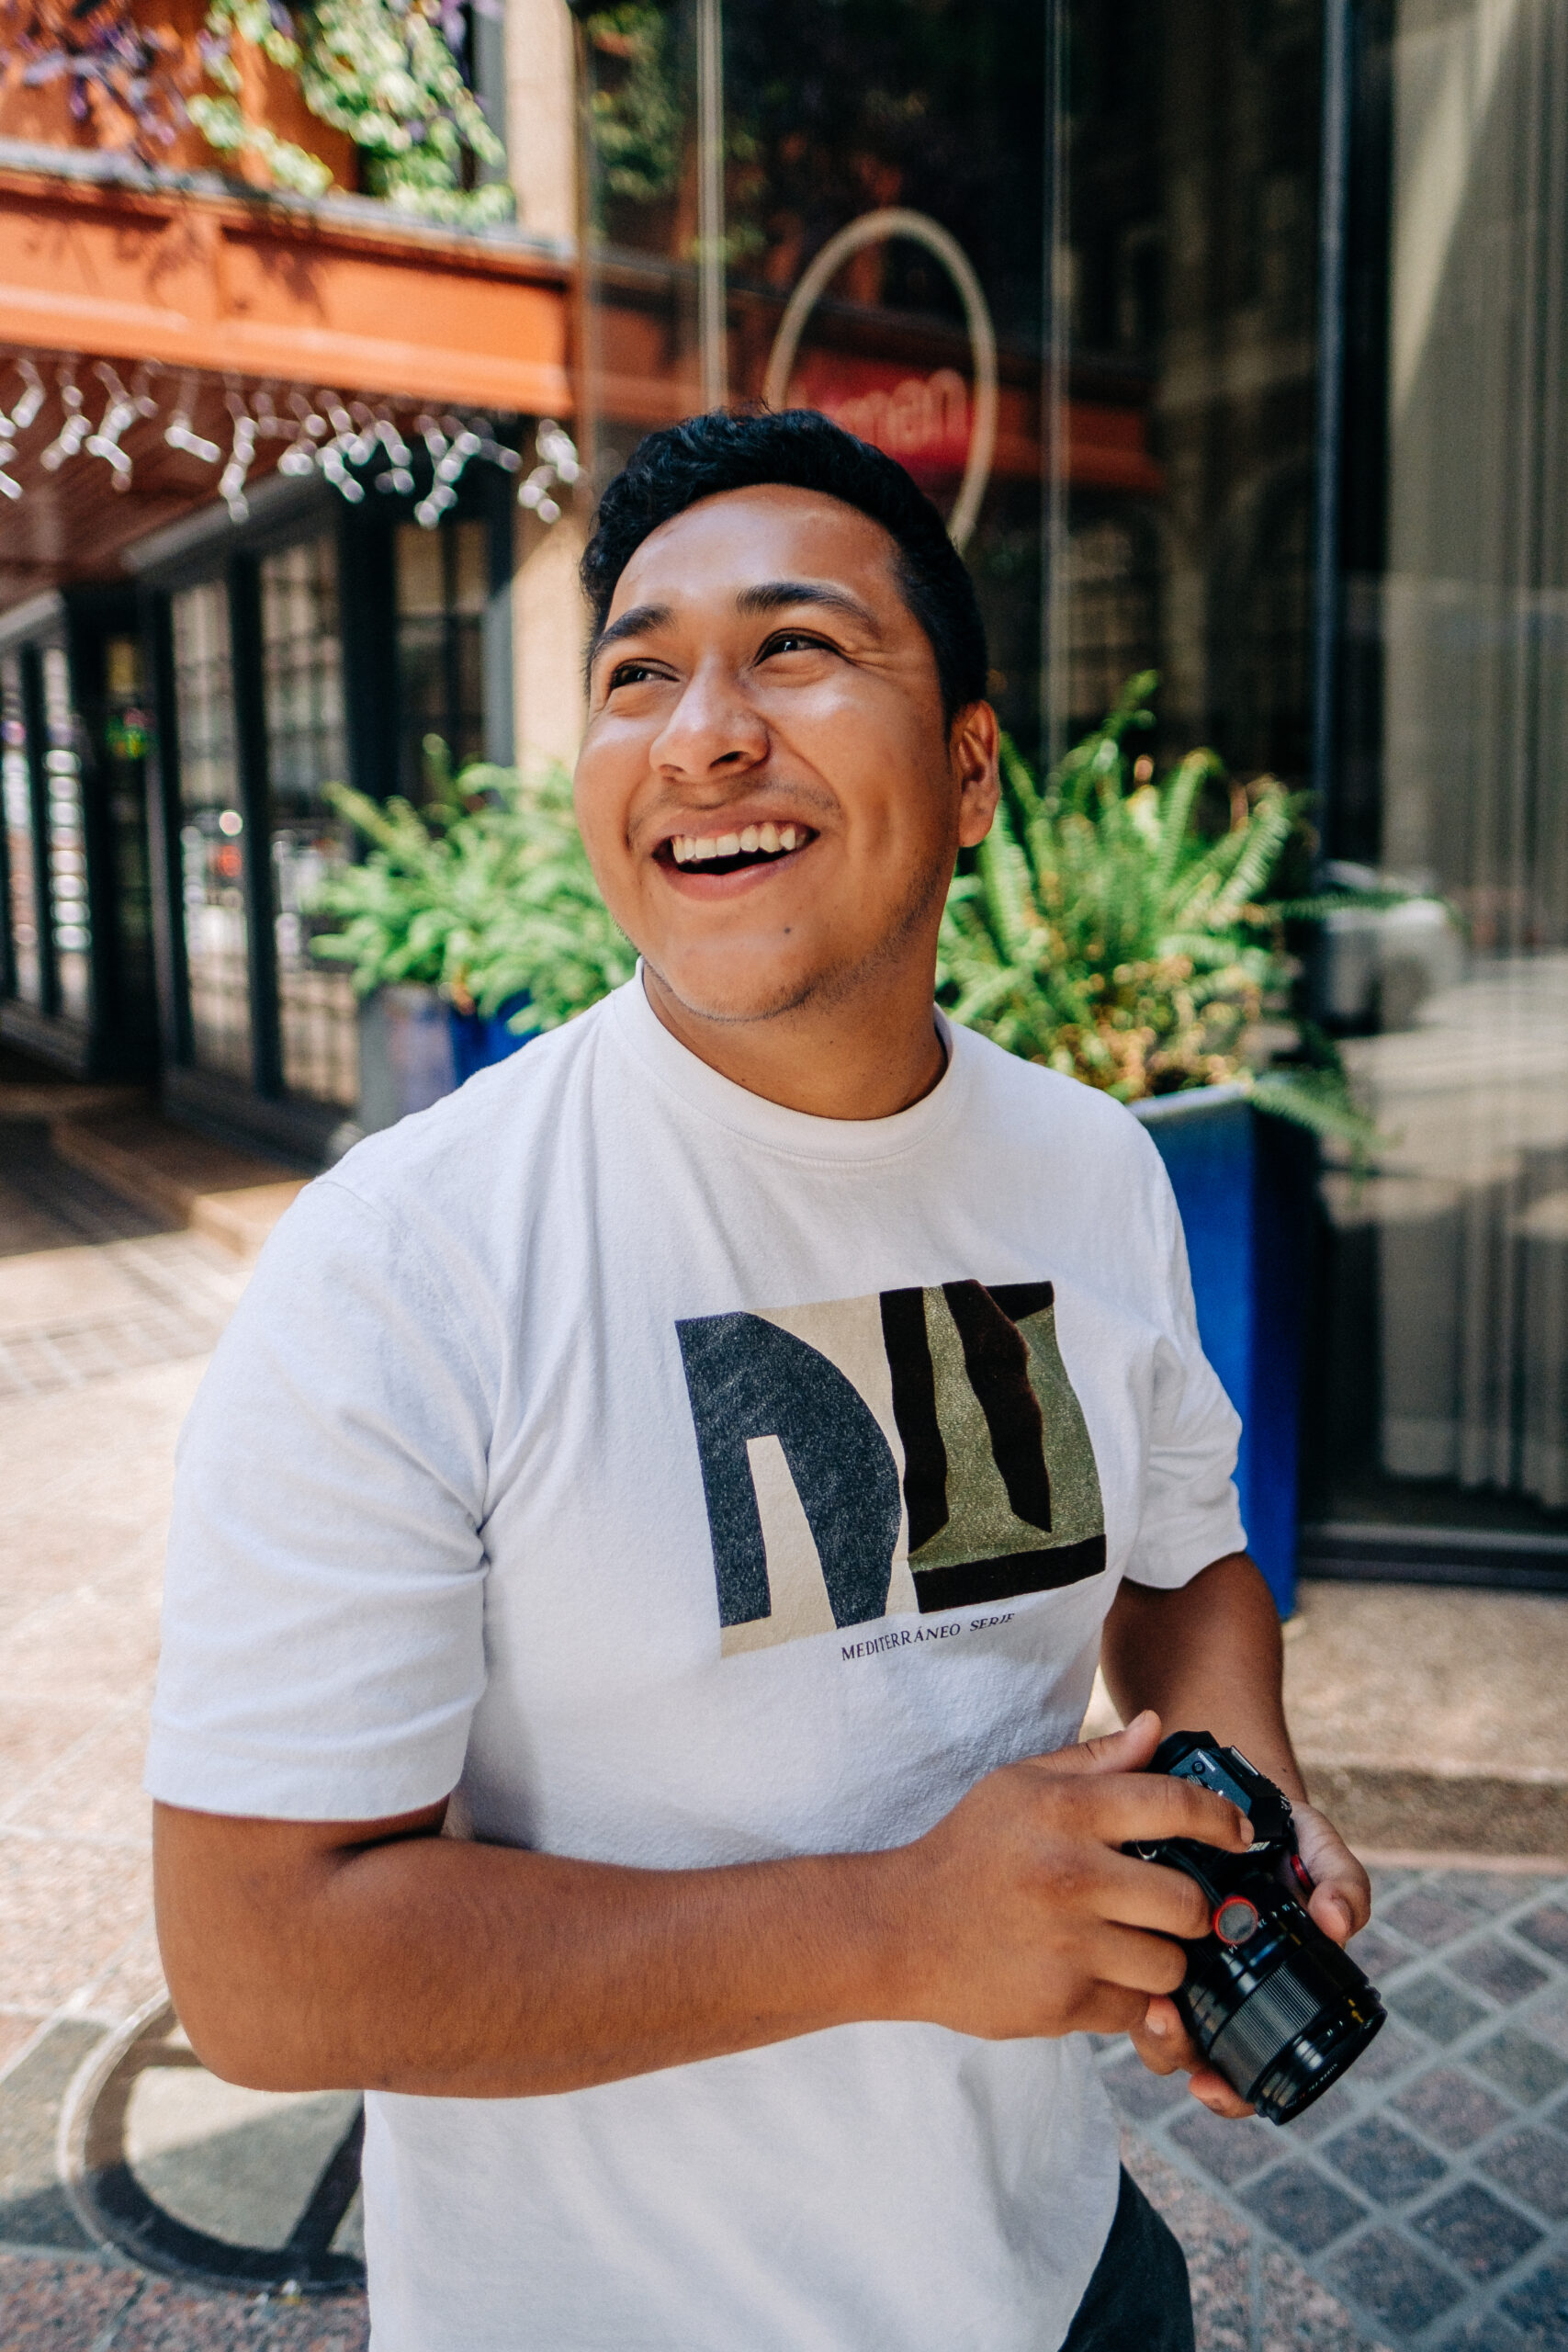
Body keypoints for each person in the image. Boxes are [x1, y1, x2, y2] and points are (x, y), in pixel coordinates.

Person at [148, 408, 1371, 2352]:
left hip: (1063, 2275)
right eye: (637, 672)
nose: (700, 729)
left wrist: (1246, 1795)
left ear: (969, 770)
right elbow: (261, 1964)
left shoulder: (1088, 1170)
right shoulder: (410, 1257)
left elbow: (1182, 1560)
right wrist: (901, 1923)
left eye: (793, 646)